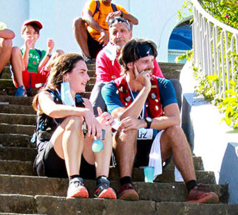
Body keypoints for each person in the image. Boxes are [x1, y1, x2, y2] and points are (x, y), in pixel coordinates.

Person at [102, 39, 219, 204]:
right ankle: (126, 184)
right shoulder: (112, 88)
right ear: (130, 64)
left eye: (152, 61)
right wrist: (145, 89)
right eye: (145, 62)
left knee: (175, 129)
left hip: (155, 147)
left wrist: (145, 123)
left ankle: (193, 188)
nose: (151, 66)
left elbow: (175, 118)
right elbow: (123, 118)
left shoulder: (164, 85)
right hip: (124, 146)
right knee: (128, 127)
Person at [32, 53, 116, 200]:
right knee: (75, 119)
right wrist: (82, 112)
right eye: (82, 72)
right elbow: (52, 110)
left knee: (104, 125)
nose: (87, 78)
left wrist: (99, 123)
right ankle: (74, 181)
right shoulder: (46, 96)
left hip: (80, 158)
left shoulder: (85, 103)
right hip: (51, 160)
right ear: (65, 75)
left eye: (87, 73)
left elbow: (90, 133)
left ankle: (103, 182)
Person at [89, 13, 164, 109]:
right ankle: (94, 117)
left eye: (122, 31)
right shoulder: (104, 55)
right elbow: (103, 82)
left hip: (145, 96)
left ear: (130, 34)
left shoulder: (145, 51)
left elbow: (159, 79)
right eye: (114, 32)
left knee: (172, 84)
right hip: (117, 98)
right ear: (110, 37)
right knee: (100, 86)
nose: (118, 35)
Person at [73, 0, 138, 62]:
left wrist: (121, 14)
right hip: (92, 42)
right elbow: (86, 16)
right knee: (78, 21)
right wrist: (101, 31)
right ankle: (87, 57)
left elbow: (135, 21)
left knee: (129, 22)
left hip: (110, 43)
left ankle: (123, 53)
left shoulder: (117, 8)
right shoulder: (93, 3)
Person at [9, 19, 56, 97]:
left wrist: (49, 51)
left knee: (58, 53)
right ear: (22, 34)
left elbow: (40, 69)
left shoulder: (41, 52)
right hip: (23, 77)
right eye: (28, 33)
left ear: (38, 36)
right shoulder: (19, 51)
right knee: (15, 49)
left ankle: (55, 89)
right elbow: (23, 67)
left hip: (38, 79)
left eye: (35, 33)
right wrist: (27, 49)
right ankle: (21, 88)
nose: (31, 36)